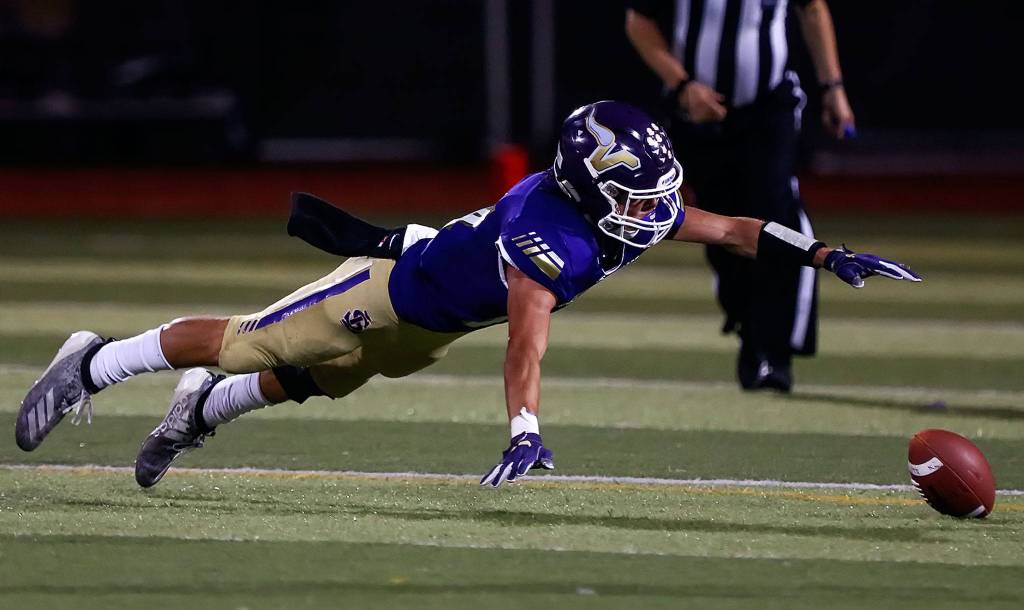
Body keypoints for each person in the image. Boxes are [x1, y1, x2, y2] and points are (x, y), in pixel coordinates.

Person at [16, 101, 917, 488]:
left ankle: (196, 418)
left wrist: (825, 251)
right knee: (252, 341)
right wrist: (526, 431)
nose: (658, 209)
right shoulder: (547, 234)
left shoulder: (613, 213)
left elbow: (732, 229)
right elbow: (527, 342)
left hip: (430, 326)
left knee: (319, 380)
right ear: (590, 188)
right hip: (385, 290)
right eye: (639, 194)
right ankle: (93, 362)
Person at [626, 0, 855, 392]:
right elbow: (639, 21)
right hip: (697, 114)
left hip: (769, 106)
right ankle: (748, 324)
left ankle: (770, 353)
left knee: (774, 213)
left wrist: (832, 87)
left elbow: (813, 9)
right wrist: (682, 86)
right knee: (719, 230)